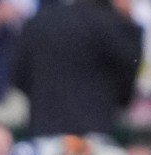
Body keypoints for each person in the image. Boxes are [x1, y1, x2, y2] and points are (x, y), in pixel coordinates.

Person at [11, 0, 142, 138]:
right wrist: (127, 20)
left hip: (44, 130)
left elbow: (18, 75)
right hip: (95, 131)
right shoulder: (109, 23)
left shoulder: (37, 21)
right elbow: (129, 66)